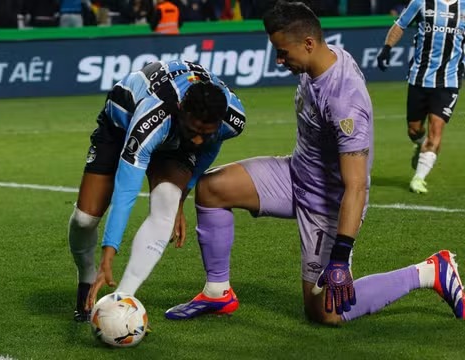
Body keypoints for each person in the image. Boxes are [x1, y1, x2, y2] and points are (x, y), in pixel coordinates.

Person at [165, 1, 463, 325]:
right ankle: (217, 292)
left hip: (329, 204)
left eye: (283, 52)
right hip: (295, 175)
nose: (279, 60)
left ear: (308, 44)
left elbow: (357, 185)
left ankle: (431, 271)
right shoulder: (319, 58)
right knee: (212, 188)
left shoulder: (344, 99)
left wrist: (340, 256)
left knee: (325, 312)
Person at [68, 59, 247, 321]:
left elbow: (209, 147)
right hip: (120, 126)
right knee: (85, 220)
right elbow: (126, 192)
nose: (198, 139)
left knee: (167, 203)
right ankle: (86, 278)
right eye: (195, 130)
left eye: (205, 132)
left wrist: (182, 196)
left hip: (175, 141)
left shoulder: (232, 120)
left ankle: (121, 302)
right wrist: (109, 253)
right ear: (181, 109)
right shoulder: (153, 117)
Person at [376, 0, 465, 194]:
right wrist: (386, 48)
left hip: (449, 81)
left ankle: (418, 178)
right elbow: (400, 24)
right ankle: (420, 145)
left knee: (436, 129)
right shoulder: (421, 3)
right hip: (419, 78)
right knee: (414, 129)